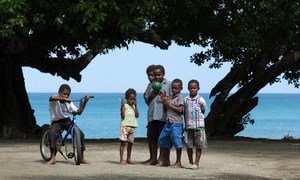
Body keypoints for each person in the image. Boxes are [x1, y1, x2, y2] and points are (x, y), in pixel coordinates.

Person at [48, 84, 91, 165]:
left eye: (68, 94)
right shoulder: (54, 99)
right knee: (52, 133)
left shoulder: (69, 102)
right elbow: (52, 98)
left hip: (66, 120)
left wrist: (85, 101)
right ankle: (53, 157)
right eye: (64, 93)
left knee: (81, 134)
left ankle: (81, 157)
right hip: (56, 121)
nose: (66, 95)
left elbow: (79, 112)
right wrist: (64, 99)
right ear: (59, 92)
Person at [144, 64, 172, 165]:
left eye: (159, 75)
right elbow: (147, 101)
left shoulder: (168, 84)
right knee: (152, 138)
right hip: (152, 116)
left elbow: (172, 99)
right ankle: (153, 159)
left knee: (163, 138)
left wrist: (166, 99)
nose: (156, 77)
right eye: (155, 75)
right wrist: (153, 94)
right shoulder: (151, 85)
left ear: (163, 74)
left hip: (163, 116)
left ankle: (164, 159)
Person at [158, 79, 184, 168]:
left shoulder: (180, 98)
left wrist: (169, 104)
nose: (173, 90)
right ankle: (165, 160)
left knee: (177, 142)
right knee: (162, 139)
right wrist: (165, 102)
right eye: (172, 88)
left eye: (176, 88)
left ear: (181, 88)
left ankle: (178, 162)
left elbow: (180, 110)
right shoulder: (170, 97)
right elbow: (165, 110)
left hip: (176, 123)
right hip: (168, 122)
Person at [183, 79, 207, 169]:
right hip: (188, 126)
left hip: (199, 126)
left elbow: (203, 110)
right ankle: (190, 162)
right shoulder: (185, 100)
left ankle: (196, 163)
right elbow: (184, 111)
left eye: (194, 88)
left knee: (199, 145)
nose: (192, 89)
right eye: (191, 88)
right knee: (189, 145)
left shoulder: (201, 100)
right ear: (188, 88)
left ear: (198, 88)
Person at [119, 88, 139, 165]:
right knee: (123, 143)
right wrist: (122, 107)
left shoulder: (134, 107)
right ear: (127, 99)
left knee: (130, 144)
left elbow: (137, 115)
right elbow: (123, 116)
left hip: (132, 127)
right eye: (131, 99)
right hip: (125, 127)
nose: (132, 101)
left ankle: (128, 159)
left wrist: (136, 106)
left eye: (134, 99)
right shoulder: (125, 106)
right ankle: (121, 159)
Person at [142, 64, 156, 164]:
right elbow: (147, 101)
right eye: (149, 75)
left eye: (152, 75)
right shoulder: (149, 86)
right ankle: (152, 157)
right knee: (150, 137)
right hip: (151, 115)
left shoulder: (163, 84)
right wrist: (149, 96)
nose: (150, 77)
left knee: (159, 138)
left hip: (160, 115)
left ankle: (159, 158)